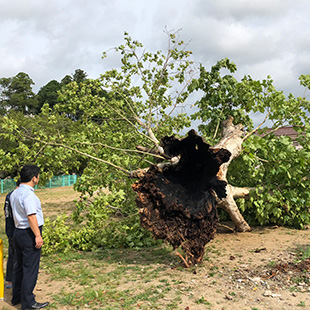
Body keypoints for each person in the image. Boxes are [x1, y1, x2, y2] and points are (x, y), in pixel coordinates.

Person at [10, 164, 49, 310]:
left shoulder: (15, 193)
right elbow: (31, 216)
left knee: (18, 267)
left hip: (17, 232)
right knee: (29, 268)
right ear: (34, 178)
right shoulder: (28, 195)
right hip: (29, 233)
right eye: (38, 175)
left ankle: (17, 297)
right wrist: (37, 235)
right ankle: (28, 302)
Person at [3, 178, 21, 289]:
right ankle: (11, 280)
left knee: (13, 254)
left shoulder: (9, 196)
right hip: (14, 228)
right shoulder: (14, 196)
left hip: (9, 227)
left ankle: (11, 279)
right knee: (14, 254)